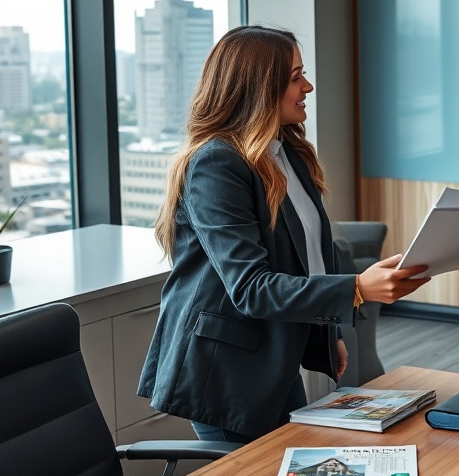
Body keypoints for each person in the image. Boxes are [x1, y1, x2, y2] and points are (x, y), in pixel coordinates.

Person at [137, 25, 430, 443]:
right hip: (225, 371)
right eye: (295, 78)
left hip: (274, 355)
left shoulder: (286, 153)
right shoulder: (217, 164)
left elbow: (308, 258)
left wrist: (324, 336)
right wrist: (357, 289)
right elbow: (252, 288)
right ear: (259, 87)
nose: (307, 86)